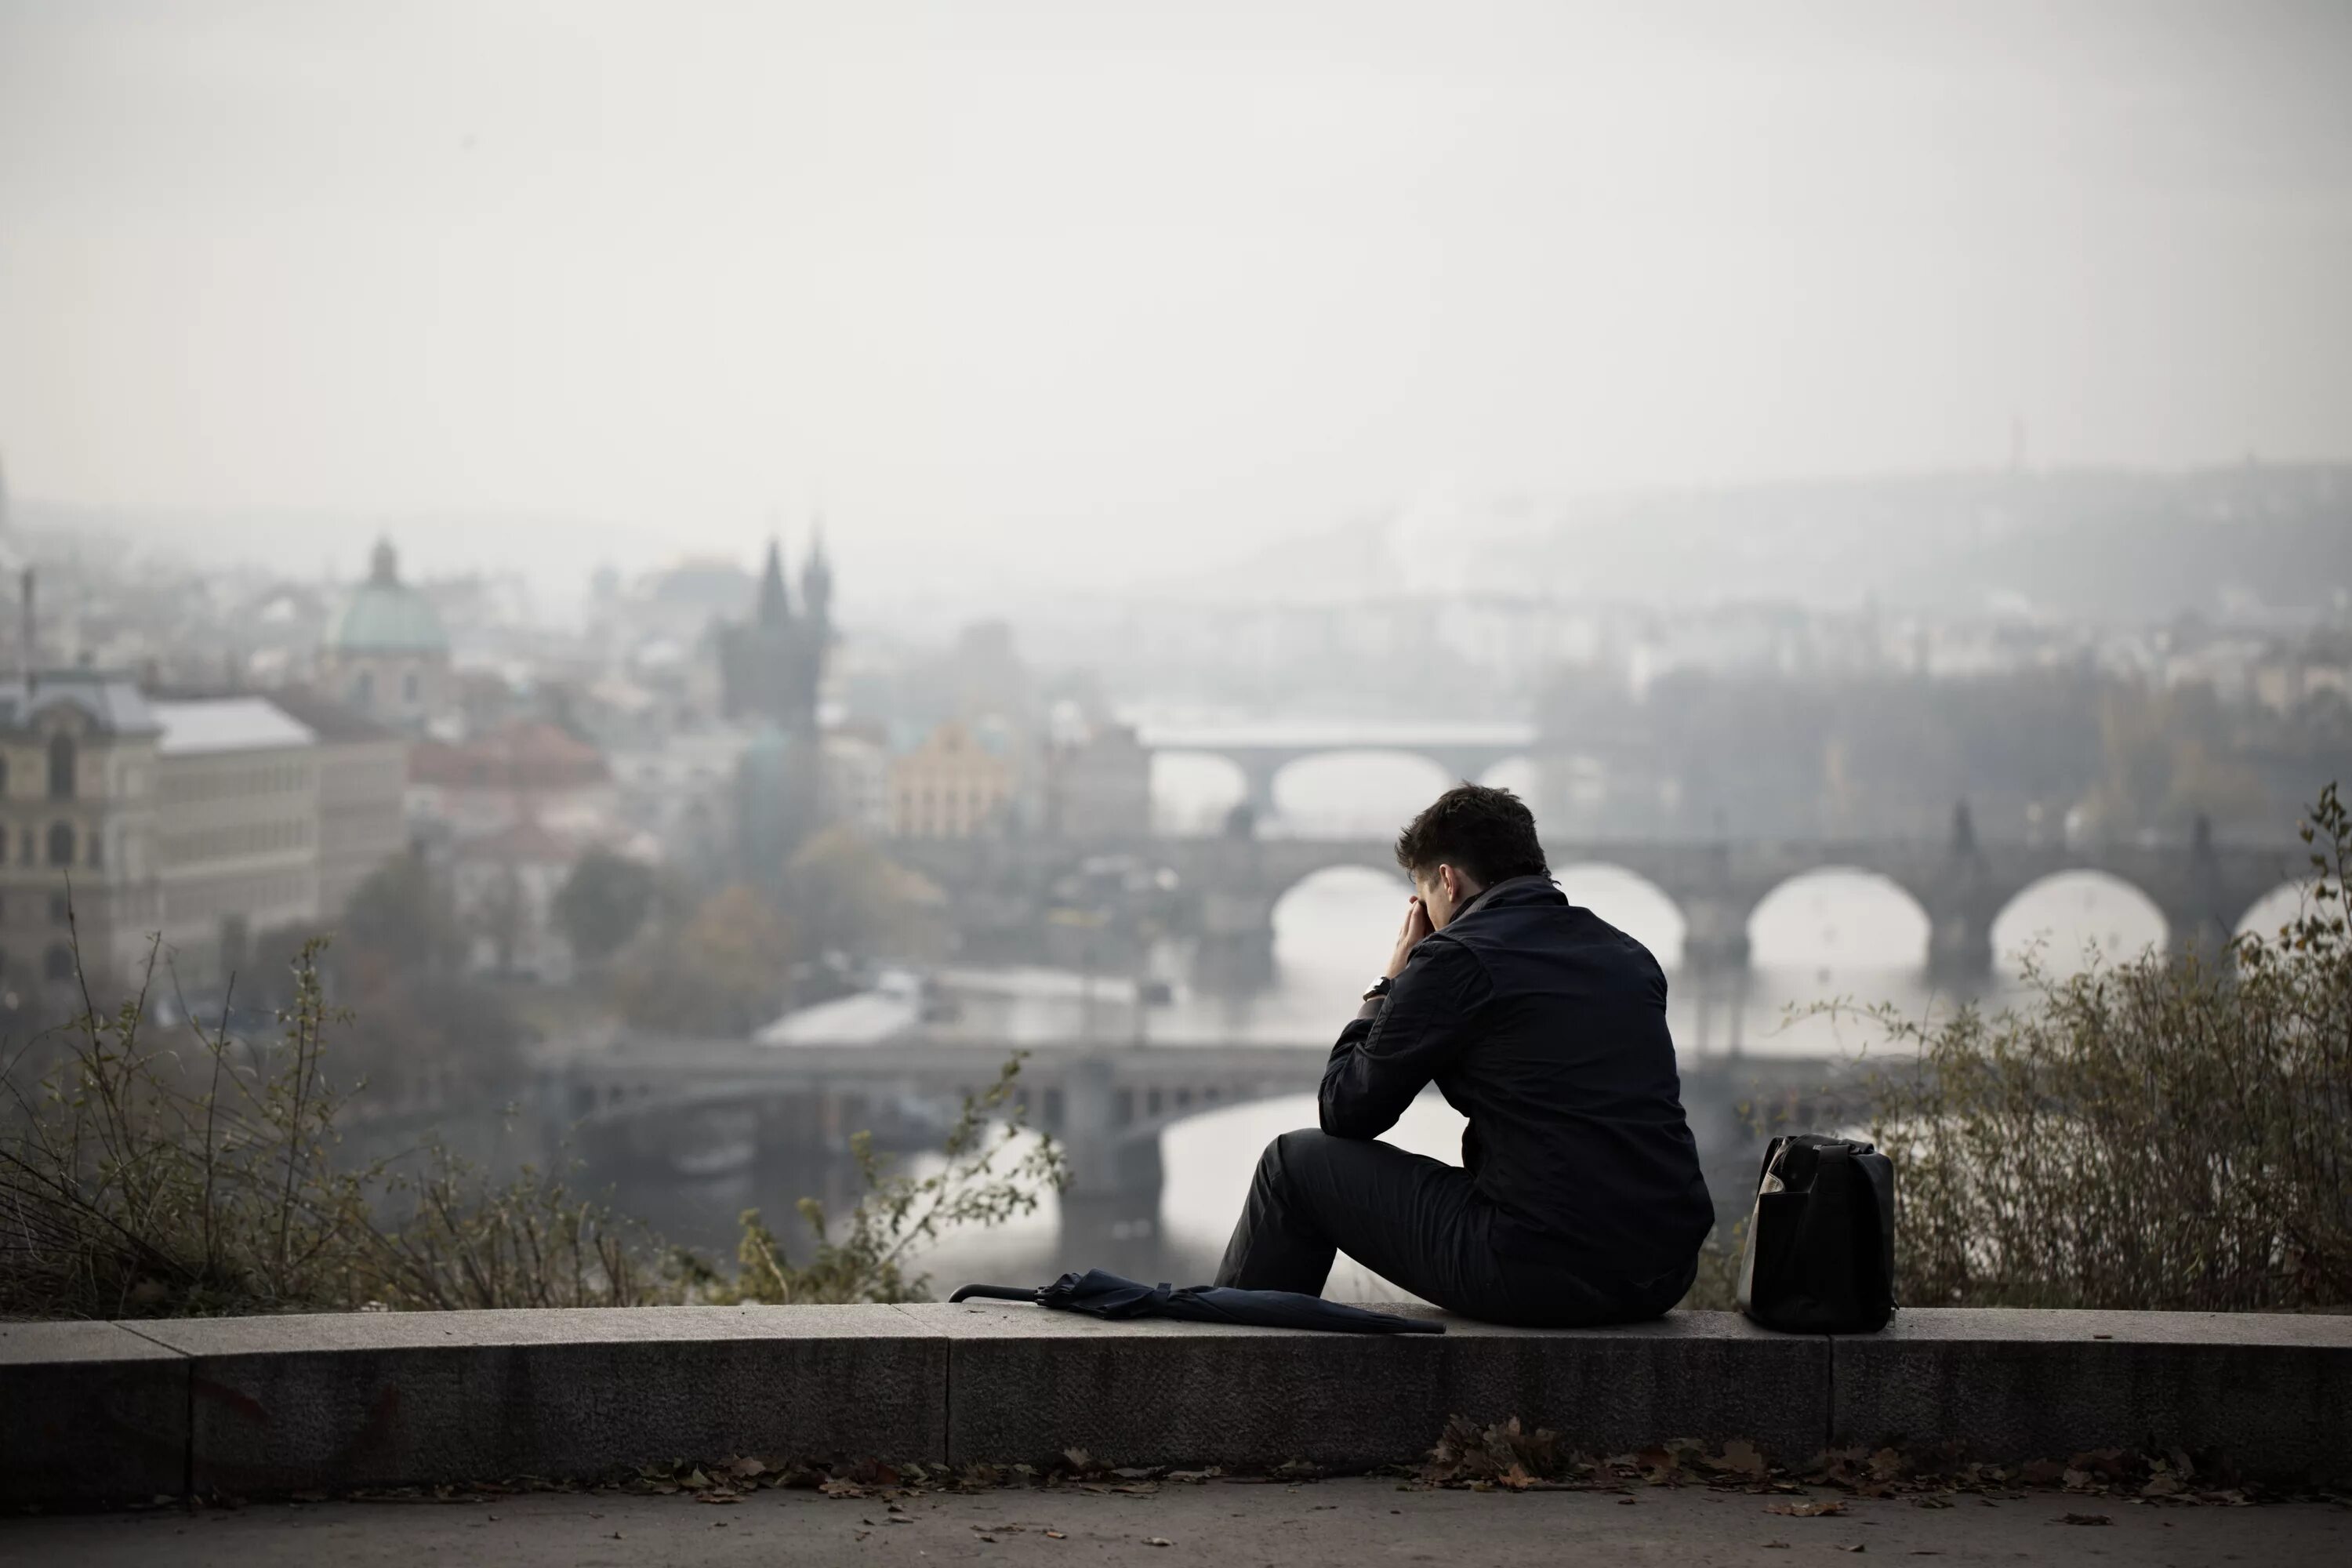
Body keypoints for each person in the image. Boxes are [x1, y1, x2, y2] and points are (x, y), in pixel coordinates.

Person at [1214, 782, 1715, 1327]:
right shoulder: (1627, 954)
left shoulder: (1458, 958)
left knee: (1291, 1165)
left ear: (1448, 880)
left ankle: (1222, 1372)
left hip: (1541, 1268)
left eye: (1424, 893)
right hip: (1662, 1270)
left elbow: (1346, 1109)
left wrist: (1390, 980)